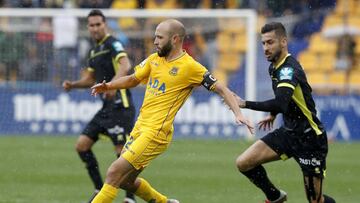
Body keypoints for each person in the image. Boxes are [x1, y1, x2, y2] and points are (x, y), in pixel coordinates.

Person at [90, 19, 254, 203]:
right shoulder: (154, 60)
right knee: (126, 181)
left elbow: (222, 88)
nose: (154, 41)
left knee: (113, 172)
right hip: (140, 128)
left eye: (159, 37)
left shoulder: (190, 67)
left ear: (175, 39)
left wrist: (238, 114)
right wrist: (109, 85)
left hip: (156, 132)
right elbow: (133, 79)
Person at [234, 22, 336, 203]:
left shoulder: (289, 70)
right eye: (263, 43)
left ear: (283, 42)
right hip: (289, 133)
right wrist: (273, 115)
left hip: (309, 139)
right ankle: (275, 197)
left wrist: (245, 104)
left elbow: (281, 102)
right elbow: (286, 99)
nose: (266, 48)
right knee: (244, 162)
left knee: (315, 201)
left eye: (270, 42)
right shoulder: (274, 66)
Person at [62, 9, 136, 203]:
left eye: (98, 24)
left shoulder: (113, 43)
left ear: (105, 25)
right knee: (82, 146)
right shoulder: (93, 50)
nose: (95, 28)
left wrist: (111, 84)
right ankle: (98, 188)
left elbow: (125, 65)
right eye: (91, 25)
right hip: (106, 108)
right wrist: (74, 85)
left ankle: (130, 198)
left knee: (123, 155)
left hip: (121, 105)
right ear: (88, 27)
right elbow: (90, 78)